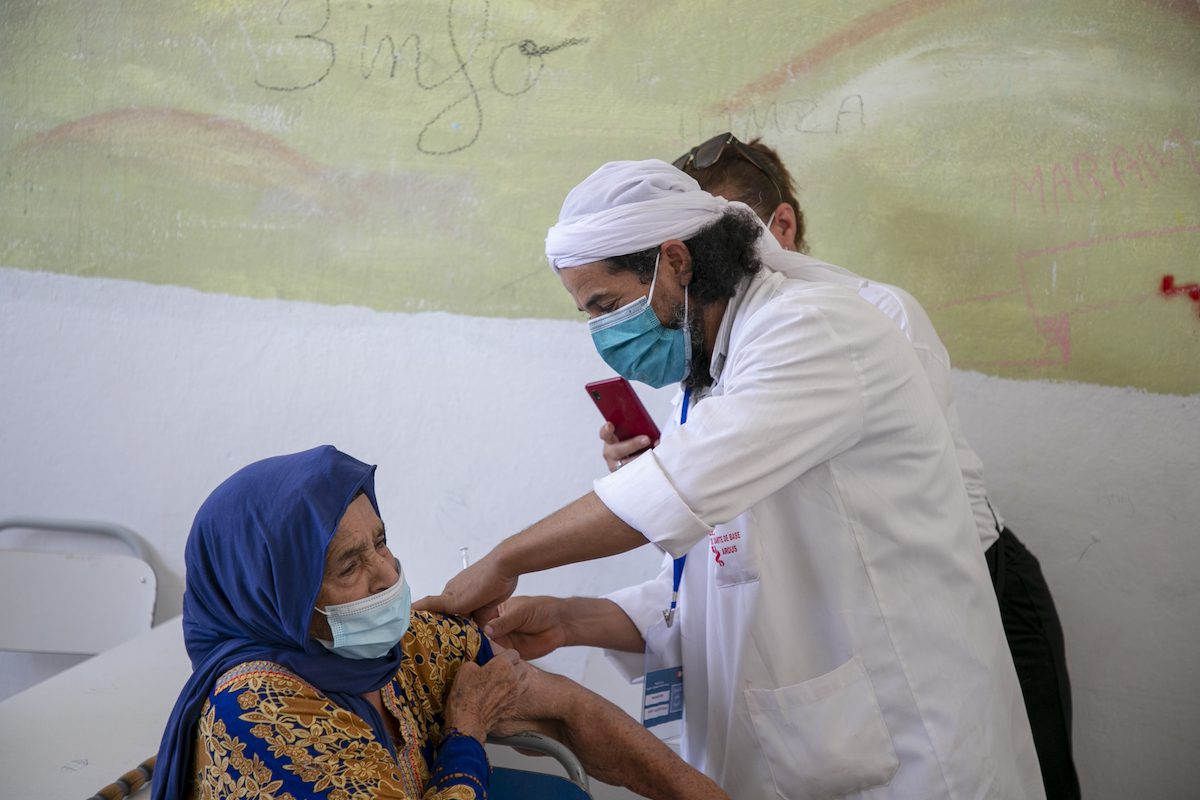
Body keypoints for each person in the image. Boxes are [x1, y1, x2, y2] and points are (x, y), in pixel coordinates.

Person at [418, 160, 1045, 798]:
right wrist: (567, 618)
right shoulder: (708, 378)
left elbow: (667, 494)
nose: (602, 334)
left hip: (906, 740)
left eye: (605, 306)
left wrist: (504, 561)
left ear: (675, 262)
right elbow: (705, 587)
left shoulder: (811, 331)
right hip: (797, 744)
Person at [652, 132, 1077, 800]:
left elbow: (846, 480)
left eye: (715, 235)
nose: (699, 266)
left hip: (979, 577)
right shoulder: (729, 340)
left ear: (779, 225)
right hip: (866, 599)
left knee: (1019, 770)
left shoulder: (870, 315)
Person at [152, 445, 728, 800]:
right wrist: (465, 733)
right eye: (349, 566)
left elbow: (568, 711)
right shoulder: (257, 707)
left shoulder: (399, 647)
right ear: (272, 596)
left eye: (381, 542)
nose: (387, 576)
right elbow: (487, 713)